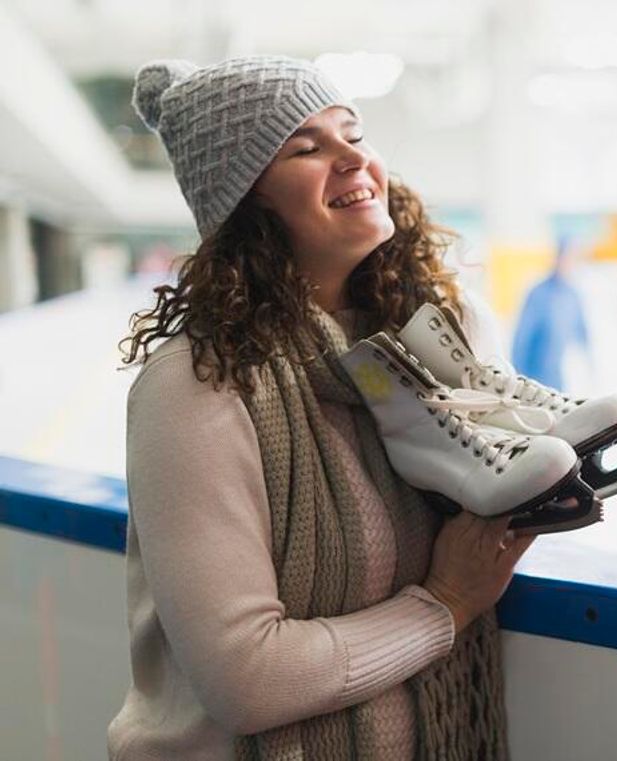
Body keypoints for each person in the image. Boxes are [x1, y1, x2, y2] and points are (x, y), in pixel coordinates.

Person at [110, 56, 529, 760]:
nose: (351, 158)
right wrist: (445, 605)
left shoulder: (432, 333)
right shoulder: (195, 385)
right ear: (247, 202)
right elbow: (246, 677)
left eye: (354, 133)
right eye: (305, 148)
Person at [510, 236, 590, 390]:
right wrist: (518, 375)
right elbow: (522, 337)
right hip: (537, 375)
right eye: (569, 256)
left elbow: (582, 332)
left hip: (561, 376)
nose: (572, 262)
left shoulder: (572, 294)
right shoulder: (539, 293)